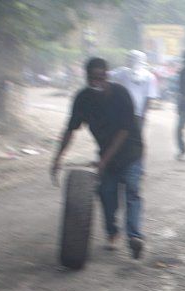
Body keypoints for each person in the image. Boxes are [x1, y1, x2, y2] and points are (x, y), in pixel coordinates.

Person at [50, 57, 145, 259]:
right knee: (106, 193)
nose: (97, 82)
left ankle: (134, 237)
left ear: (107, 76)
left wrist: (103, 161)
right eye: (93, 78)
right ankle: (112, 232)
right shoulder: (83, 99)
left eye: (101, 77)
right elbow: (70, 130)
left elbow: (124, 131)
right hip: (106, 156)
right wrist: (57, 159)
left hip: (131, 152)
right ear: (86, 78)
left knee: (132, 190)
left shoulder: (121, 94)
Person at [110, 50, 159, 130]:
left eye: (130, 59)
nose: (128, 61)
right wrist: (144, 115)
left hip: (123, 111)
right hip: (136, 113)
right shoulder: (149, 77)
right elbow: (149, 98)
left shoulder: (122, 72)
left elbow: (108, 76)